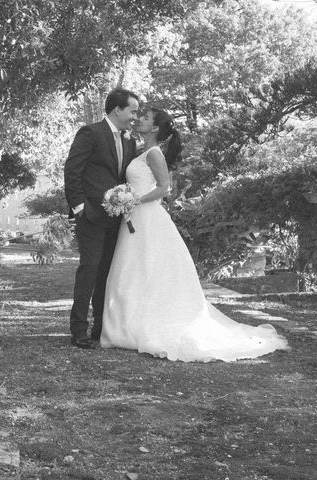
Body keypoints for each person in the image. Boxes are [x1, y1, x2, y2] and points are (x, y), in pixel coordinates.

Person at [99, 108, 289, 361]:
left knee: (149, 268)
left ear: (155, 128)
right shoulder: (141, 151)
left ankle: (146, 326)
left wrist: (134, 201)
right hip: (134, 218)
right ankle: (126, 326)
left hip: (147, 216)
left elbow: (164, 188)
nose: (139, 120)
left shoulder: (154, 153)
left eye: (145, 118)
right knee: (133, 269)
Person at [64, 88, 140, 349]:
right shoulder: (91, 133)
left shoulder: (129, 140)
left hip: (115, 218)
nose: (134, 116)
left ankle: (100, 327)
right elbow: (72, 169)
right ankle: (78, 329)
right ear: (117, 109)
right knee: (90, 268)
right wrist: (79, 207)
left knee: (106, 272)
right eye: (132, 110)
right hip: (91, 216)